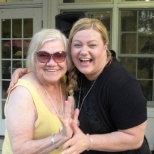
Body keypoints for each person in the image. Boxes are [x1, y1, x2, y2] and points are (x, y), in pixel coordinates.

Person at [8, 18, 150, 154]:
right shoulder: (76, 72)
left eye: (92, 45)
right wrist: (27, 72)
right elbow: (50, 67)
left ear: (105, 46)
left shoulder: (123, 84)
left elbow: (134, 138)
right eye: (77, 45)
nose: (83, 51)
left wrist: (88, 141)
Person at [2, 29, 79, 154]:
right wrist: (61, 137)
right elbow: (20, 149)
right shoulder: (23, 93)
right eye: (43, 55)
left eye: (59, 55)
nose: (52, 63)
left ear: (67, 59)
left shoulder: (65, 81)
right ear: (34, 58)